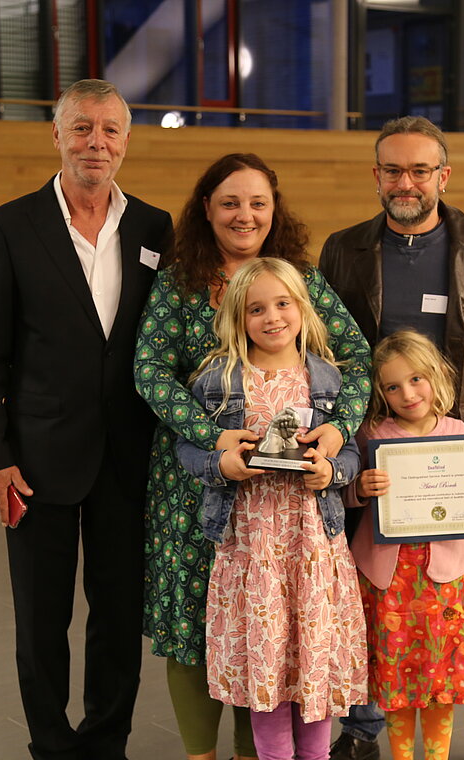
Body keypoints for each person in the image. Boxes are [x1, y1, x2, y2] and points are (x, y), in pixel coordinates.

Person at [134, 153, 372, 760]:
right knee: (195, 622)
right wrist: (211, 437)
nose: (245, 214)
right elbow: (150, 370)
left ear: (275, 209)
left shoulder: (302, 281)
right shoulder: (179, 279)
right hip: (197, 484)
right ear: (205, 210)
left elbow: (357, 359)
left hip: (291, 507)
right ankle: (200, 754)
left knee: (275, 625)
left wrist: (339, 432)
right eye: (230, 202)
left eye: (257, 202)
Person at [0, 79, 173, 760]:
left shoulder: (152, 227)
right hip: (36, 461)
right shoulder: (9, 225)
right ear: (56, 136)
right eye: (82, 128)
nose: (97, 143)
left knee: (118, 617)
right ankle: (53, 747)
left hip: (128, 460)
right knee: (41, 620)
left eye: (110, 130)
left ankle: (105, 742)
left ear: (127, 141)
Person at [319, 116, 464, 760]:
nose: (404, 182)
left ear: (444, 175)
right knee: (366, 599)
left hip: (456, 455)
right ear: (375, 175)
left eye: (419, 170)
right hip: (371, 454)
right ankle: (360, 732)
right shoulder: (344, 249)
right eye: (392, 169)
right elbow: (324, 354)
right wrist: (348, 446)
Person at [176, 257, 369, 760]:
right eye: (256, 308)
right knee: (265, 666)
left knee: (315, 659)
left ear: (302, 308)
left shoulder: (325, 379)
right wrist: (222, 464)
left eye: (283, 303)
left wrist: (334, 472)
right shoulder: (218, 379)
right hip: (252, 548)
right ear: (238, 318)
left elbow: (347, 450)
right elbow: (186, 448)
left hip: (312, 548)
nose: (272, 317)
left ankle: (317, 755)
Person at [349, 330, 464, 760]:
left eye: (417, 379)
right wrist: (360, 489)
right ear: (380, 392)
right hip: (391, 581)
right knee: (397, 680)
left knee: (440, 679)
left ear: (437, 376)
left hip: (448, 580)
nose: (407, 393)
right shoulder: (371, 436)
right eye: (392, 386)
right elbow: (345, 492)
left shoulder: (461, 432)